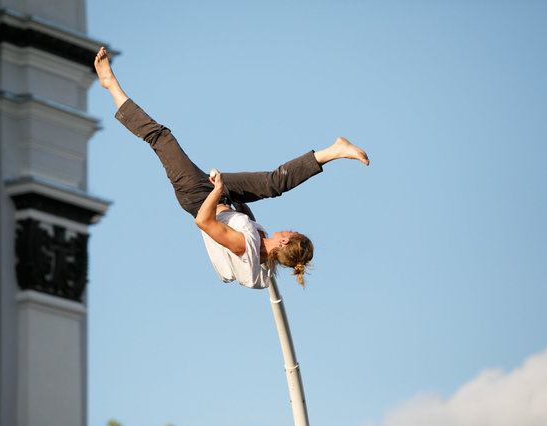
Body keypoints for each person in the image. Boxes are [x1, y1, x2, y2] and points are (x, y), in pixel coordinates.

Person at [94, 47, 369, 289]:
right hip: (223, 196)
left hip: (199, 198)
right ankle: (334, 151)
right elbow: (243, 220)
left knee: (160, 137)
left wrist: (217, 190)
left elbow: (203, 221)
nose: (289, 229)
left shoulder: (245, 247)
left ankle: (110, 84)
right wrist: (232, 197)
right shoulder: (262, 243)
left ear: (285, 242)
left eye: (292, 232)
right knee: (274, 183)